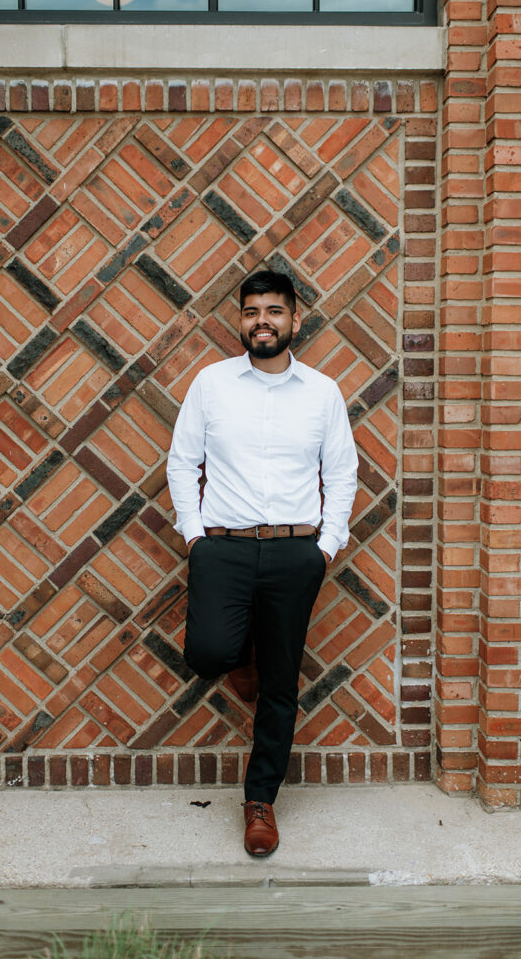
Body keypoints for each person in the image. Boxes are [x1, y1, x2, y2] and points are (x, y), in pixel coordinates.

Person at [166, 269, 358, 857]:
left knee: (281, 681)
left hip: (294, 552)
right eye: (252, 312)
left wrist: (325, 546)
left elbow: (342, 473)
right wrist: (196, 536)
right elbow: (181, 462)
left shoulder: (322, 392)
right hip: (222, 547)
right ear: (240, 320)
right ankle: (238, 658)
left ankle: (261, 801)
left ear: (296, 320)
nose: (263, 322)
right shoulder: (211, 384)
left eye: (274, 311)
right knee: (208, 653)